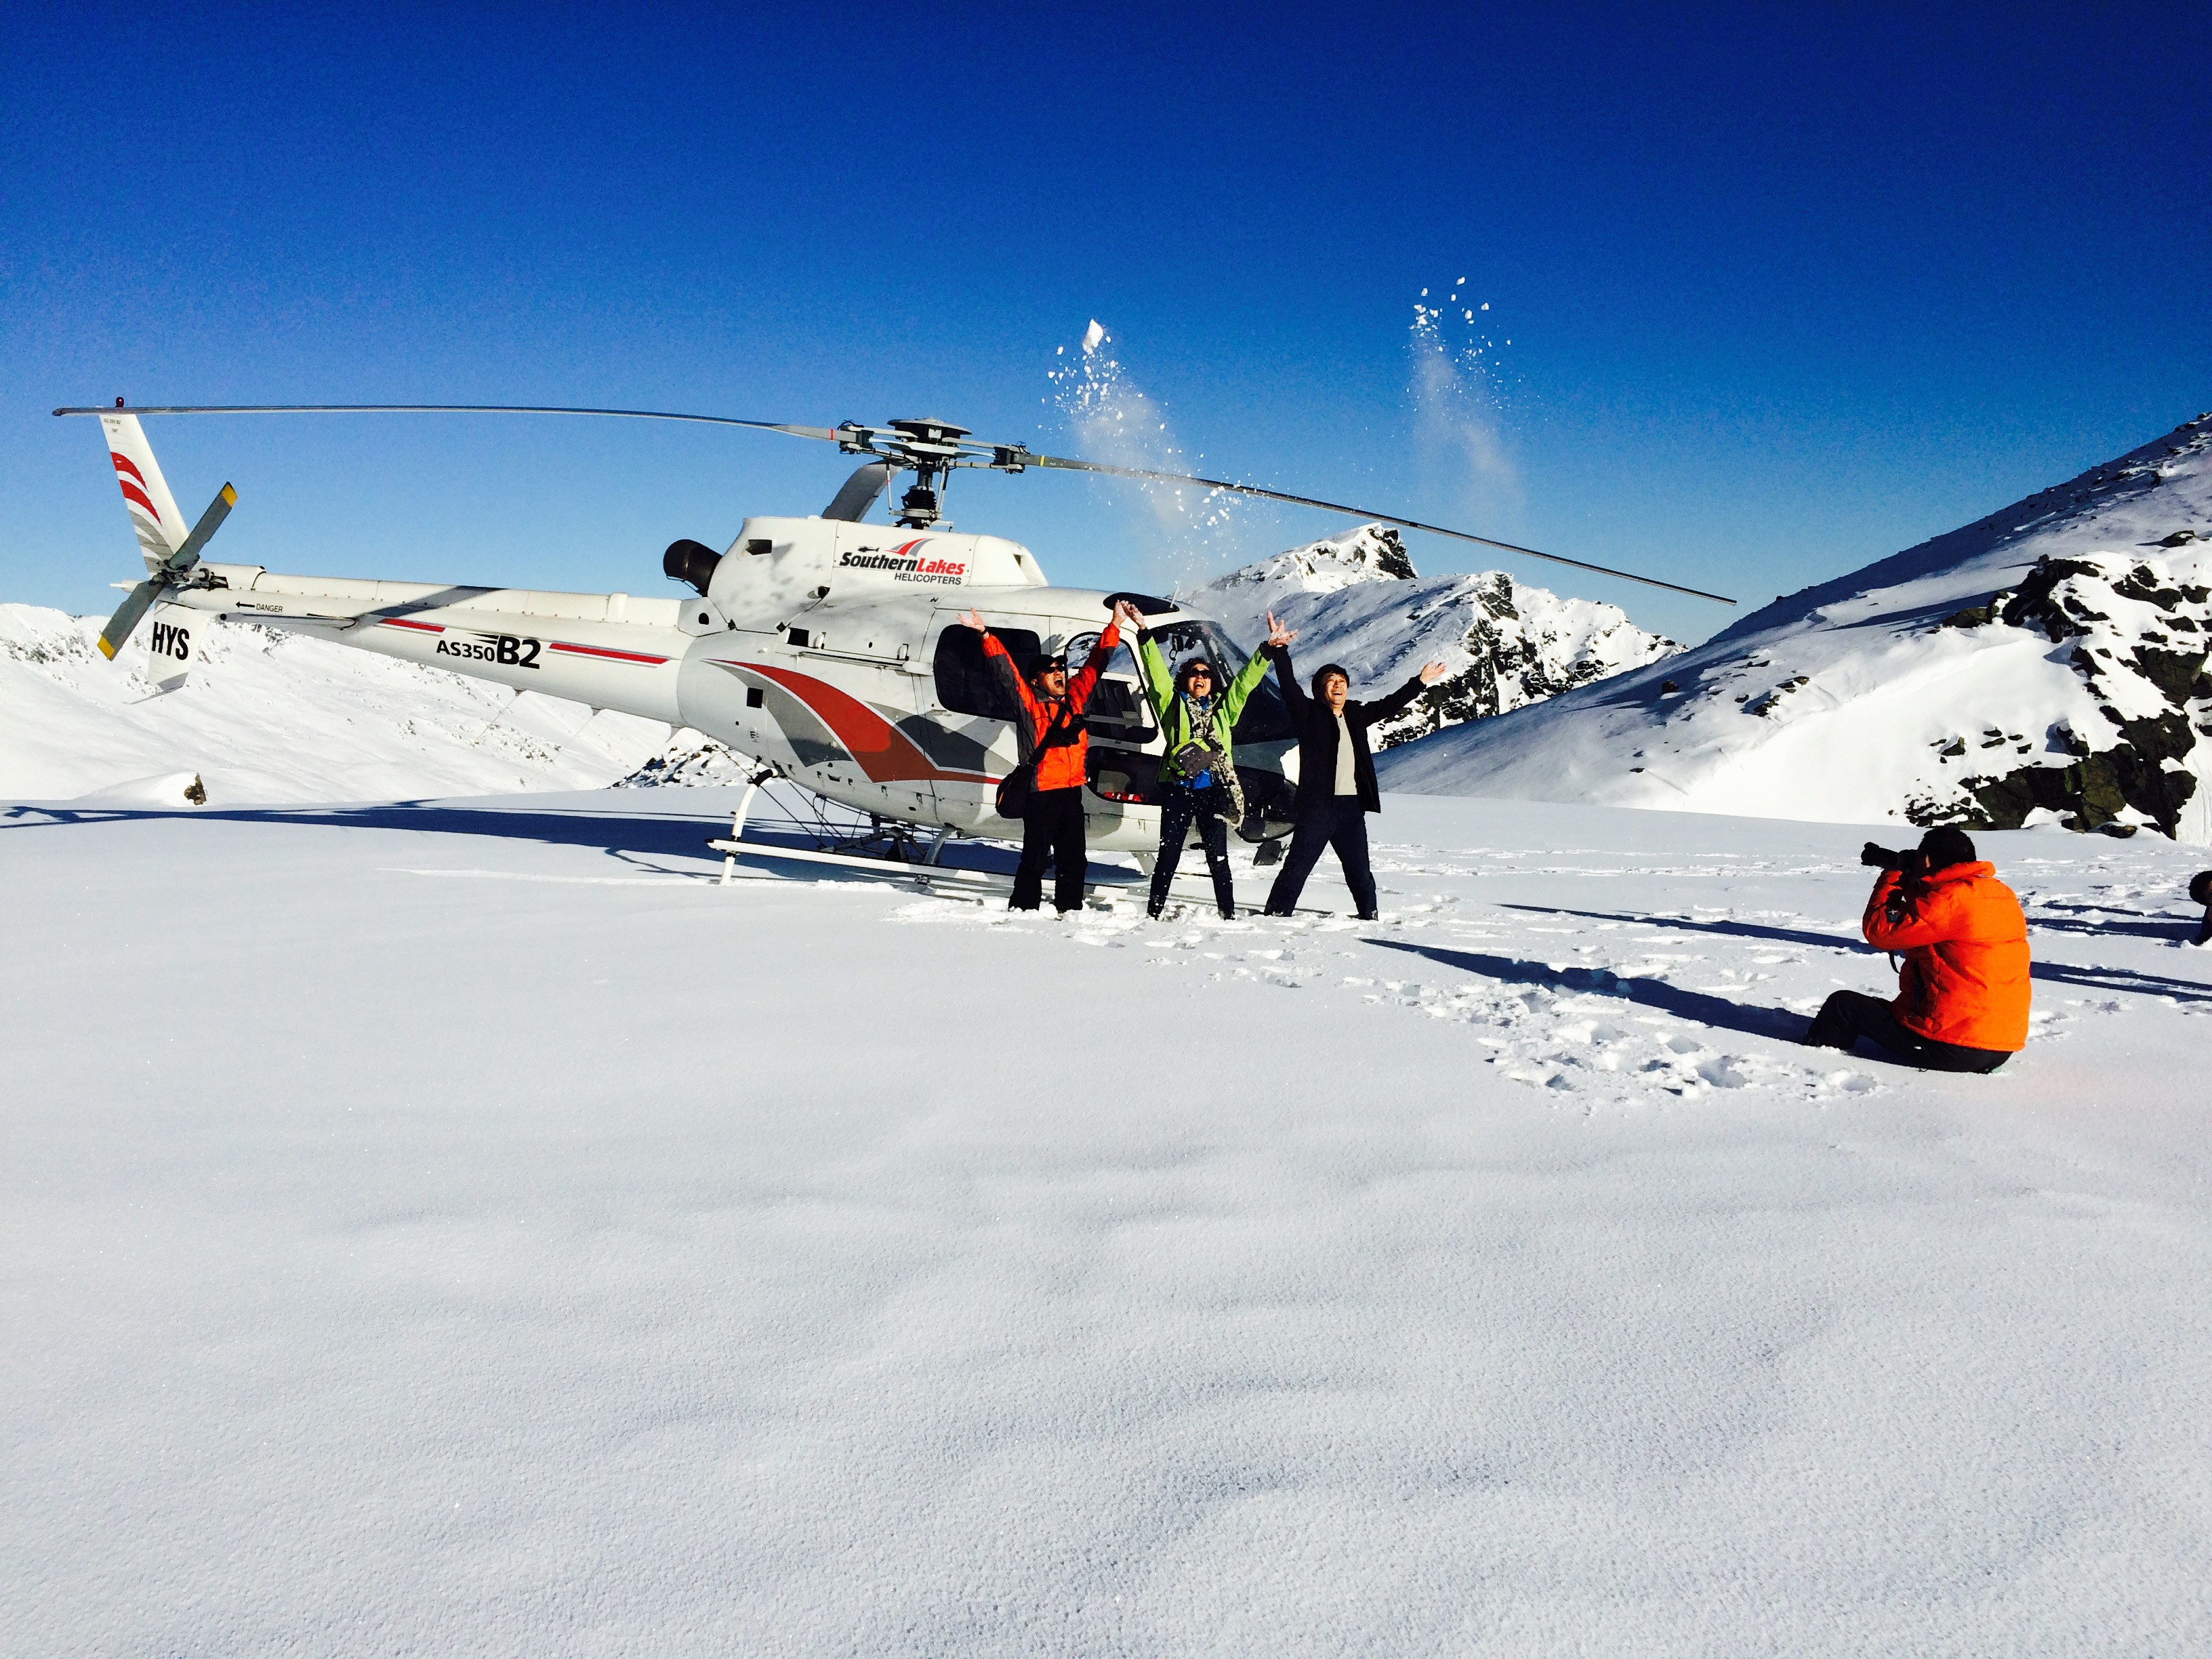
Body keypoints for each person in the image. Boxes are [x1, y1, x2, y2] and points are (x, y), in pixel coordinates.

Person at [1805, 827, 2030, 1073]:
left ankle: (1817, 1063)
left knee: (1843, 1006)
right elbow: (1931, 919)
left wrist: (1893, 876)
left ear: (1927, 860)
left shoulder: (1947, 900)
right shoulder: (1999, 894)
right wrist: (1916, 883)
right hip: (2000, 1046)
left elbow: (1881, 932)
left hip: (1950, 1045)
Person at [1132, 602, 1296, 918]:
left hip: (1213, 791)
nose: (1201, 678)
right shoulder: (1171, 704)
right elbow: (1155, 676)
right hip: (1178, 788)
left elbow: (1245, 683)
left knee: (1218, 856)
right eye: (1194, 674)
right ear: (1184, 680)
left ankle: (1228, 913)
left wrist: (1267, 649)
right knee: (1169, 854)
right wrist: (1144, 634)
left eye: (1205, 674)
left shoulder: (1224, 709)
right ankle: (1154, 912)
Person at [1261, 644, 1448, 919]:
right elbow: (1288, 686)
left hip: (1350, 807)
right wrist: (1280, 651)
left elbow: (1390, 704)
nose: (1338, 686)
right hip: (1317, 807)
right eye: (1331, 682)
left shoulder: (1356, 714)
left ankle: (1369, 914)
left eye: (1342, 681)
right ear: (1320, 689)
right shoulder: (1309, 715)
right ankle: (1277, 914)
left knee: (1359, 868)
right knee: (1298, 865)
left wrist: (1419, 682)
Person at [962, 605, 1122, 913]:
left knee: (1074, 860)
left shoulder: (1075, 700)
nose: (1060, 674)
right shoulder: (1028, 706)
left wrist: (1114, 624)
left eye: (1061, 669)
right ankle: (1023, 910)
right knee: (1034, 860)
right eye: (1051, 671)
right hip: (1041, 795)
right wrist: (985, 634)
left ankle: (1070, 909)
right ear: (1036, 681)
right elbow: (1006, 673)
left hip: (1072, 793)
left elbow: (1095, 664)